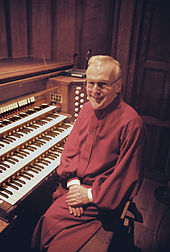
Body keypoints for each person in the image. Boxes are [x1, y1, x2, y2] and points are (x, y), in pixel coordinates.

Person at [31, 55, 146, 252]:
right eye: (90, 83)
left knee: (59, 244)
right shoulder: (85, 110)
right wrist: (75, 186)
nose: (94, 91)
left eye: (103, 84)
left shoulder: (132, 123)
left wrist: (90, 195)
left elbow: (127, 176)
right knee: (47, 220)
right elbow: (71, 149)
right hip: (74, 188)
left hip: (104, 198)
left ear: (118, 86)